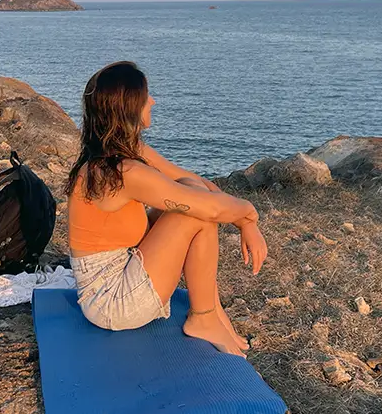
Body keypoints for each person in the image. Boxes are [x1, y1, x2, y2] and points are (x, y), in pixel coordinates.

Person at [66, 61, 267, 357]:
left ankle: (211, 313)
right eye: (147, 96)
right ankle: (203, 317)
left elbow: (189, 180)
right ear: (131, 107)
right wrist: (249, 214)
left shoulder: (122, 152)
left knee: (192, 193)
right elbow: (208, 210)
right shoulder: (124, 171)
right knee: (194, 214)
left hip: (121, 269)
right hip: (110, 301)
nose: (153, 101)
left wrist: (245, 222)